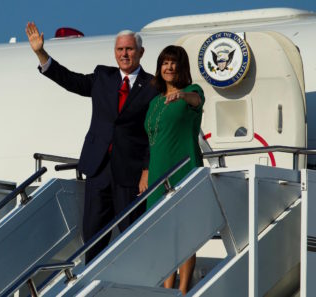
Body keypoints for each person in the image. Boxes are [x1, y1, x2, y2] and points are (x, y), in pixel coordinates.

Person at [25, 22, 157, 263]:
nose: (124, 54)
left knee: (131, 234)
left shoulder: (152, 86)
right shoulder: (103, 77)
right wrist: (41, 54)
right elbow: (70, 80)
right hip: (98, 169)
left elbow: (153, 131)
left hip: (130, 172)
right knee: (93, 235)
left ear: (141, 52)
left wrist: (147, 169)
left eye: (129, 49)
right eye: (120, 50)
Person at [139, 45, 205, 295]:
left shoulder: (192, 91)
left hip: (183, 169)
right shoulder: (154, 102)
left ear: (182, 67)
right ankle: (168, 289)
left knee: (185, 233)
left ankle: (184, 290)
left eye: (174, 63)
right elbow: (152, 139)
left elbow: (197, 101)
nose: (169, 67)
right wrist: (146, 171)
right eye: (165, 63)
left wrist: (182, 96)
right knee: (163, 232)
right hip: (157, 173)